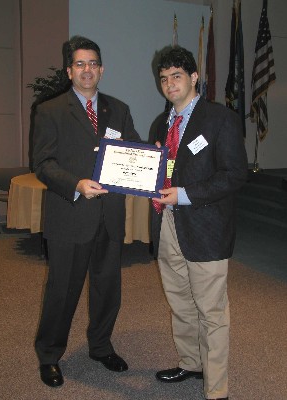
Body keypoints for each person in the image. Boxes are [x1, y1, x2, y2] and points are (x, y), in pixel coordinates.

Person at [33, 35, 140, 388]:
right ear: (69, 70)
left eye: (93, 63)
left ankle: (101, 345)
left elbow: (132, 150)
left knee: (108, 288)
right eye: (80, 64)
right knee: (62, 291)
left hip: (109, 216)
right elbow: (43, 163)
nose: (87, 70)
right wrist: (76, 184)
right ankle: (49, 354)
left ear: (102, 69)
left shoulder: (118, 109)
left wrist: (149, 157)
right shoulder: (50, 110)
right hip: (70, 215)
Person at [150, 46, 248, 400]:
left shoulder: (220, 119)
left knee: (211, 310)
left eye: (177, 76)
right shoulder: (161, 123)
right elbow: (158, 174)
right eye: (163, 79)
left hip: (206, 227)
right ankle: (191, 363)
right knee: (179, 301)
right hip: (168, 226)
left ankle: (217, 388)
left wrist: (185, 194)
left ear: (194, 78)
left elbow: (235, 175)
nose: (169, 84)